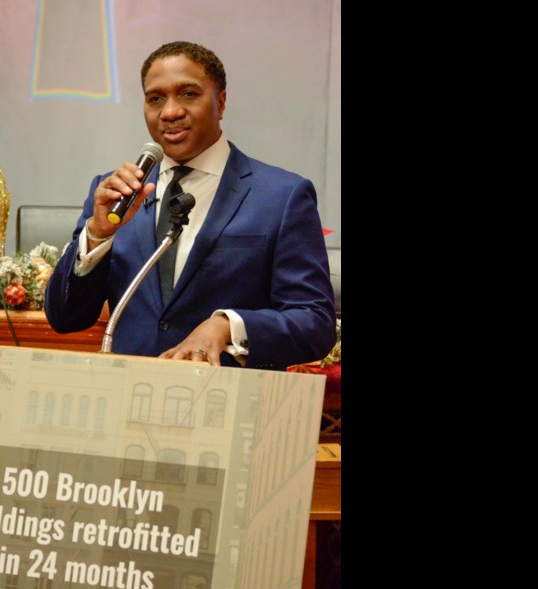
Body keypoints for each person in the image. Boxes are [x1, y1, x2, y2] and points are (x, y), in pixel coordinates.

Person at [44, 41, 336, 371]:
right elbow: (65, 318)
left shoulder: (281, 197)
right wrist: (97, 235)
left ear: (220, 102)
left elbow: (315, 323)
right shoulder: (115, 195)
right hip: (129, 402)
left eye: (188, 94)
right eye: (155, 98)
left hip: (228, 406)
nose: (169, 111)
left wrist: (227, 325)